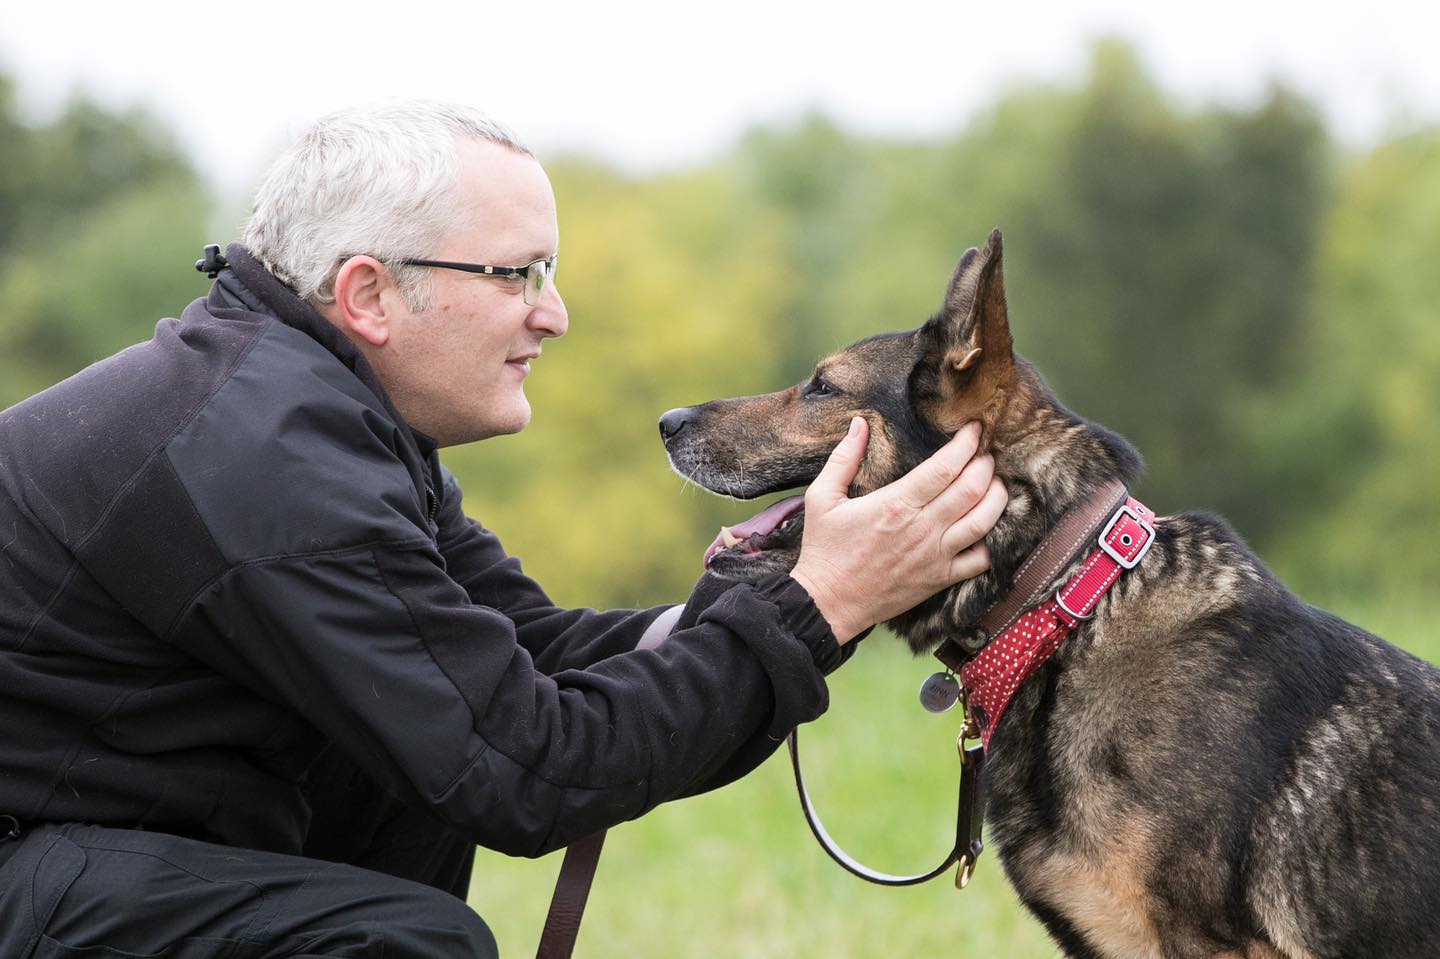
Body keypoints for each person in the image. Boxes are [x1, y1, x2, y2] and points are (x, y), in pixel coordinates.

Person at [0, 101, 1007, 957]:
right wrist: (819, 604)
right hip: (23, 857)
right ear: (369, 294)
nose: (554, 313)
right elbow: (526, 767)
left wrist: (810, 583)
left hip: (80, 825)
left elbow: (533, 654)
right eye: (517, 273)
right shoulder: (268, 461)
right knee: (406, 939)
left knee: (408, 764)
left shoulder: (320, 416)